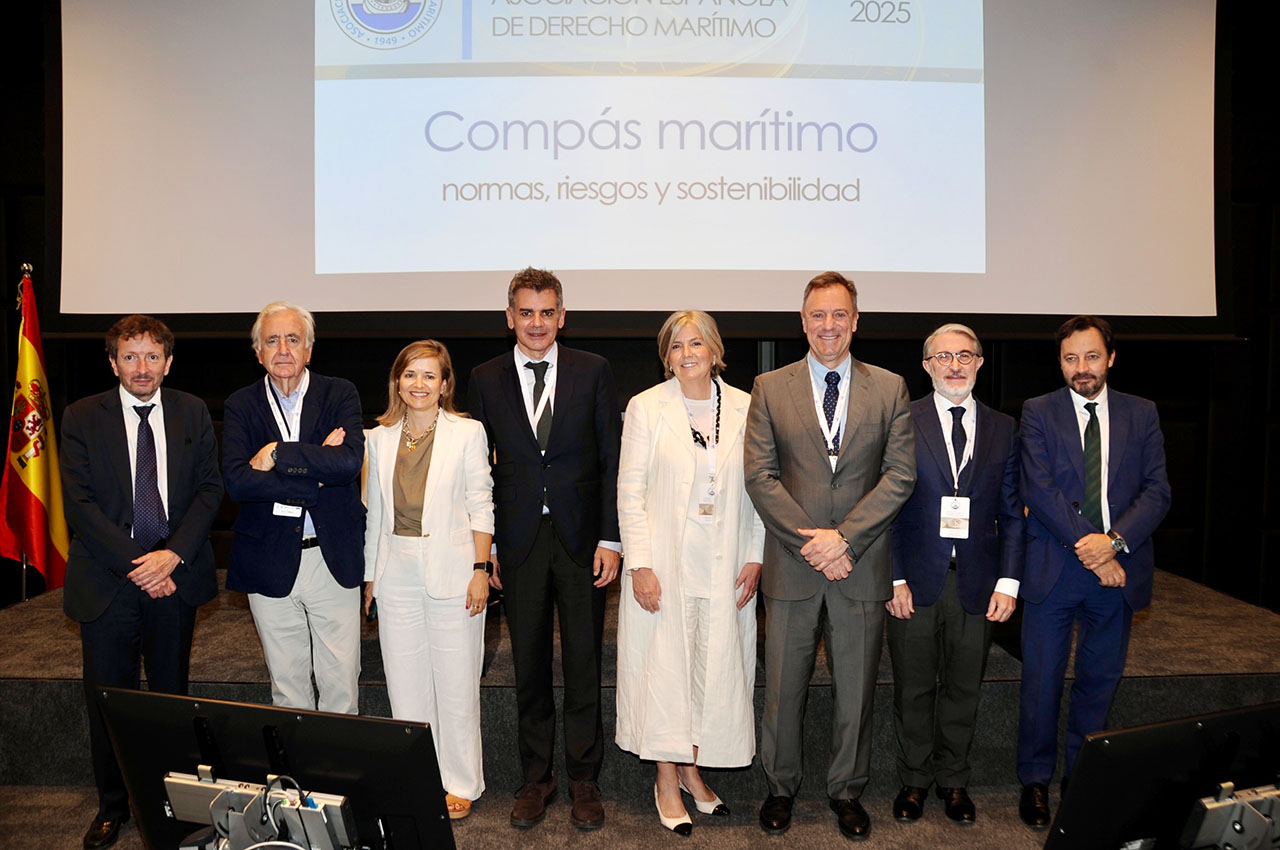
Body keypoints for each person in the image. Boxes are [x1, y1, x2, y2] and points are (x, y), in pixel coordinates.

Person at [744, 271, 916, 841]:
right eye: (817, 315)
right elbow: (761, 477)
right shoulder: (770, 387)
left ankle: (847, 791)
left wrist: (844, 539)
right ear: (802, 321)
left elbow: (899, 476)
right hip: (794, 565)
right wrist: (813, 541)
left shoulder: (890, 388)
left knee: (856, 690)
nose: (828, 326)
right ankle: (780, 788)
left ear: (856, 321)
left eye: (839, 315)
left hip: (860, 564)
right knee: (782, 690)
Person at [467, 267, 622, 831]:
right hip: (519, 541)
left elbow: (612, 460)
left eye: (547, 312)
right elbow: (477, 474)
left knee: (584, 661)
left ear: (563, 315)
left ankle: (584, 779)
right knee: (528, 664)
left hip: (583, 541)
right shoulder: (484, 378)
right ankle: (537, 778)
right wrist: (486, 551)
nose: (537, 323)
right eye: (526, 312)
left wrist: (611, 537)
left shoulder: (594, 371)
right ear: (510, 317)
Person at [60, 315, 222, 850]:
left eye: (153, 356)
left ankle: (172, 805)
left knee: (171, 698)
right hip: (108, 580)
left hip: (176, 577)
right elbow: (80, 506)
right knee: (109, 697)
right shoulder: (82, 416)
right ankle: (112, 806)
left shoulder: (193, 411)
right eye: (130, 357)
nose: (142, 367)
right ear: (113, 363)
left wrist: (171, 556)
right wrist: (142, 563)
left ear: (168, 362)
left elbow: (209, 489)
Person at [1016, 315, 1171, 829]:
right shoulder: (1038, 411)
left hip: (1118, 572)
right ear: (1060, 362)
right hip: (1055, 569)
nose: (1081, 368)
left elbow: (1157, 492)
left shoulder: (1141, 413)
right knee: (1041, 684)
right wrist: (1092, 549)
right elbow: (1038, 490)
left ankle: (1080, 779)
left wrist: (1114, 545)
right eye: (1070, 358)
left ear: (1110, 358)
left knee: (1097, 684)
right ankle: (1035, 782)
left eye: (1091, 356)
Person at [615, 310, 765, 836]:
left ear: (715, 350)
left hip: (725, 558)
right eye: (676, 346)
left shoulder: (747, 406)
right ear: (666, 356)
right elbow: (629, 491)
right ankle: (664, 776)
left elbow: (761, 487)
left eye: (696, 343)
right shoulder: (646, 407)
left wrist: (757, 551)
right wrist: (641, 564)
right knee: (665, 669)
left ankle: (692, 769)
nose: (686, 353)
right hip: (665, 561)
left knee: (710, 666)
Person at [885, 323, 1024, 827]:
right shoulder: (901, 420)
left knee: (965, 688)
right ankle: (915, 780)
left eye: (965, 355)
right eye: (942, 356)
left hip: (978, 585)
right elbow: (888, 508)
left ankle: (954, 781)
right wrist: (893, 578)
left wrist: (1008, 582)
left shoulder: (1005, 428)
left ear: (980, 362)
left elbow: (1012, 514)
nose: (955, 365)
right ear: (926, 366)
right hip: (916, 582)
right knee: (913, 689)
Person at [363, 340, 495, 819]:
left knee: (456, 683)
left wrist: (481, 570)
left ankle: (460, 781)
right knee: (405, 685)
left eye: (429, 376)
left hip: (455, 571)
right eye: (410, 375)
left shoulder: (467, 432)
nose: (419, 384)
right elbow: (375, 515)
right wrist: (370, 580)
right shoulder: (376, 438)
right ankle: (421, 778)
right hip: (394, 570)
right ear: (397, 381)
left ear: (445, 385)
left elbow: (482, 504)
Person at [222, 301, 366, 714]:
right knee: (287, 688)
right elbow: (237, 481)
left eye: (292, 339)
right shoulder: (240, 404)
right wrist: (315, 467)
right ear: (258, 352)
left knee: (340, 685)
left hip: (330, 556)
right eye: (272, 340)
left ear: (308, 349)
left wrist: (275, 453)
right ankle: (298, 778)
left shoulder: (340, 393)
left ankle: (338, 780)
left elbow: (348, 464)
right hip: (267, 558)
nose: (282, 349)